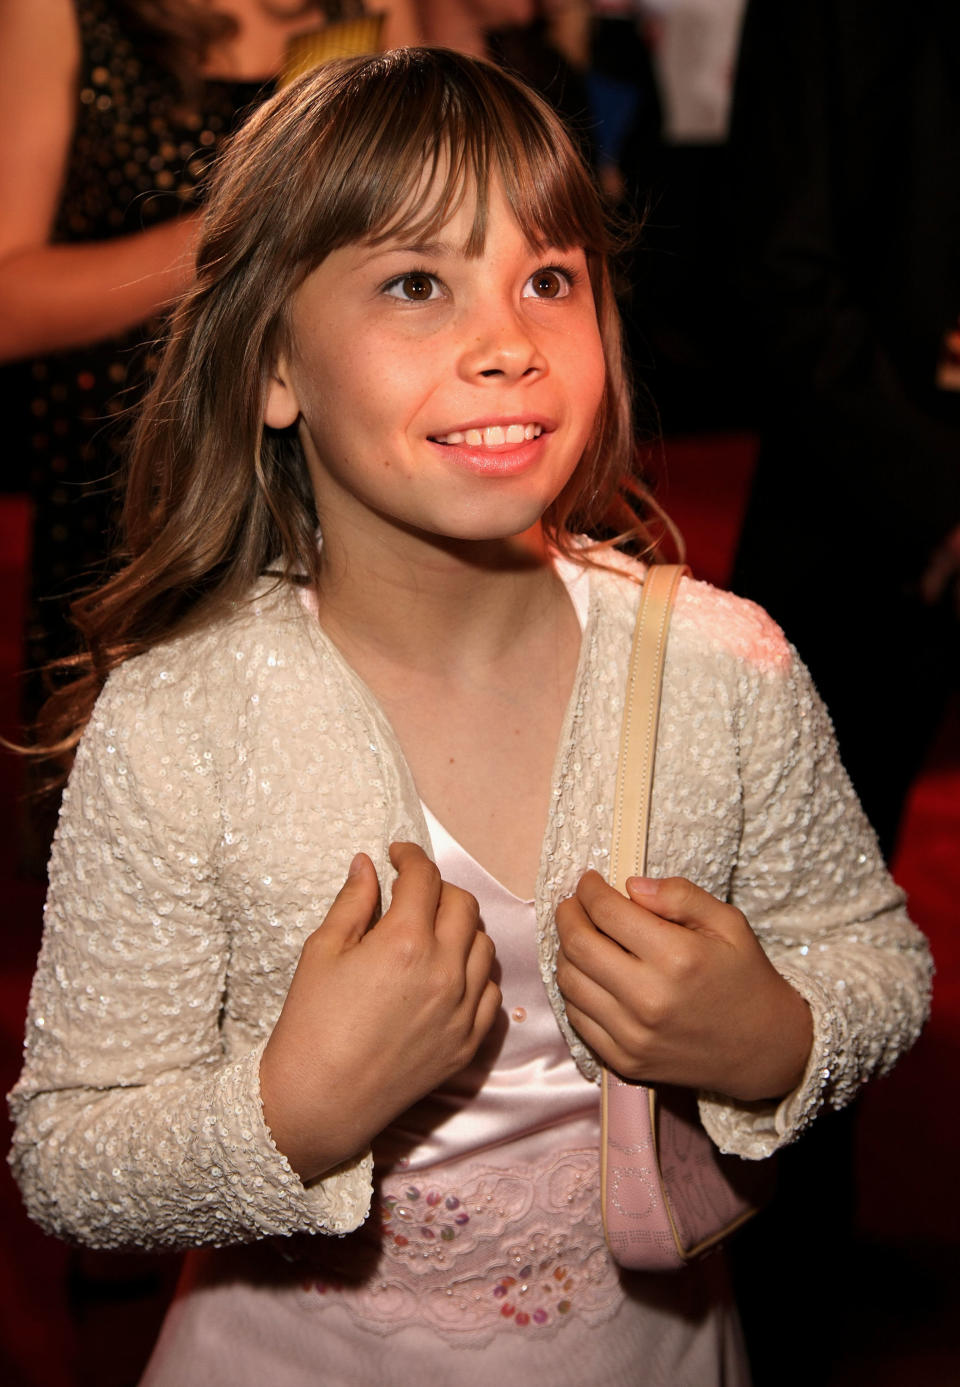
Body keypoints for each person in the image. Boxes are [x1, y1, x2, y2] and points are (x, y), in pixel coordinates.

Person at [8, 48, 931, 1387]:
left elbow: (878, 961)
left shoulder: (723, 669)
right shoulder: (181, 720)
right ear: (275, 365)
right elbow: (73, 1160)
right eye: (417, 283)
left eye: (549, 279)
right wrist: (294, 1110)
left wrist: (775, 1034)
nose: (508, 341)